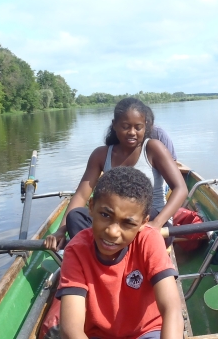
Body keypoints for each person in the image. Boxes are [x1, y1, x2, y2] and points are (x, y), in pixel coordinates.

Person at [56, 166, 183, 339]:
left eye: (128, 223)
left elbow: (172, 309)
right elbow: (72, 330)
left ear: (143, 223)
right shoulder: (76, 251)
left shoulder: (149, 240)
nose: (112, 232)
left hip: (146, 332)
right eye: (105, 215)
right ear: (91, 207)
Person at [45, 97, 187, 251]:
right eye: (125, 126)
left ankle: (101, 253)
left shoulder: (153, 148)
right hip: (114, 224)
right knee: (76, 217)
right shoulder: (101, 155)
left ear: (145, 127)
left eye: (138, 127)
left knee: (139, 214)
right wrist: (61, 230)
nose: (132, 132)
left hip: (148, 222)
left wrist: (156, 223)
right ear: (114, 125)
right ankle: (101, 255)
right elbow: (81, 196)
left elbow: (181, 188)